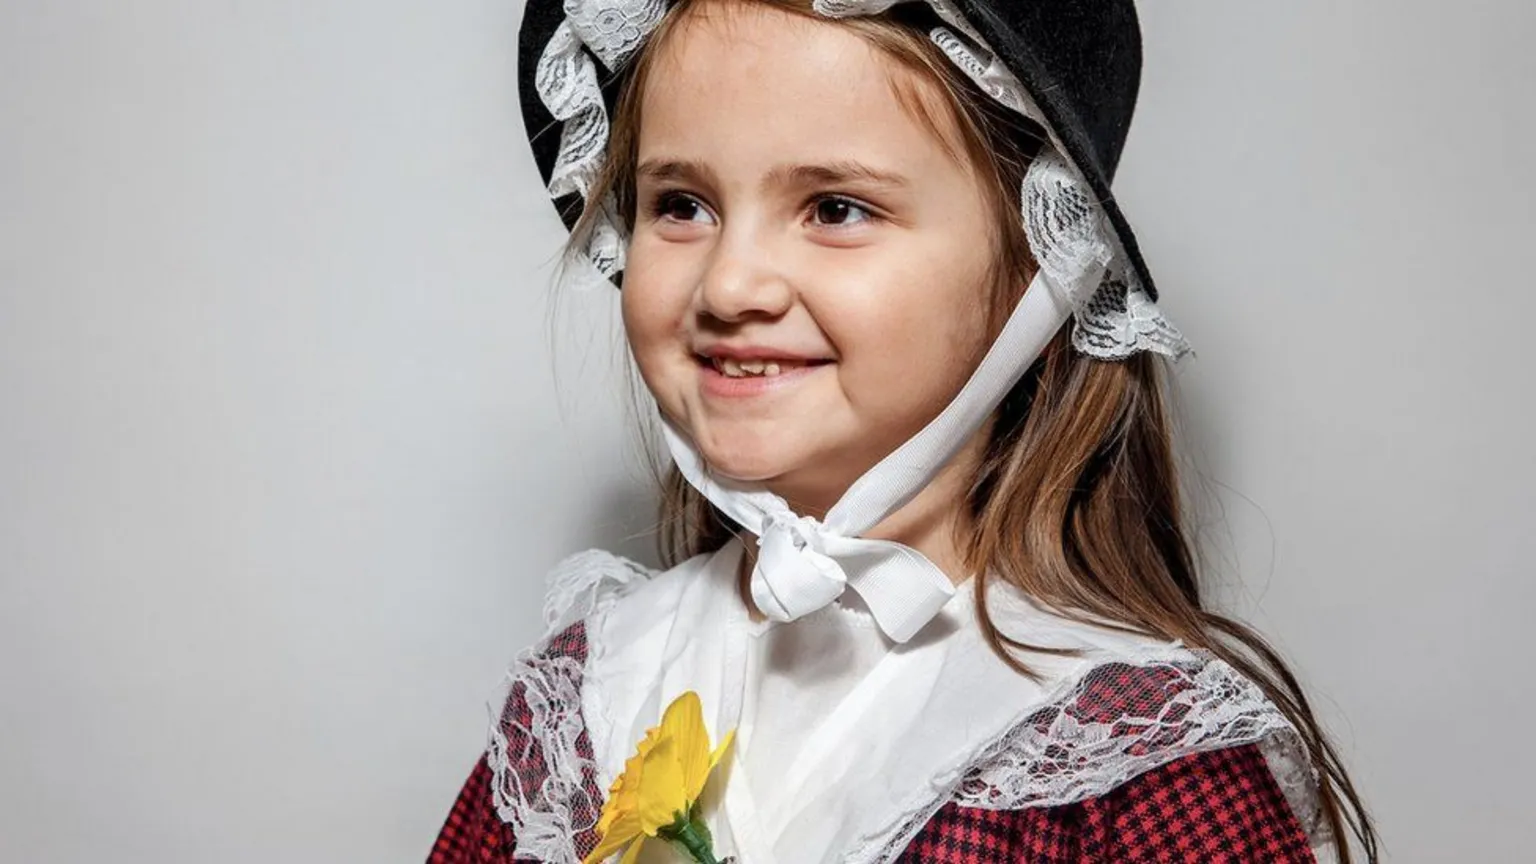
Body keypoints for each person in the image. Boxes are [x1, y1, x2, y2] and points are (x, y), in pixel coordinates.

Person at [431, 0, 1378, 861]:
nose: (729, 285)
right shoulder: (588, 693)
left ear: (1041, 268)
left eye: (836, 208)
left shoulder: (1131, 761)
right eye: (682, 205)